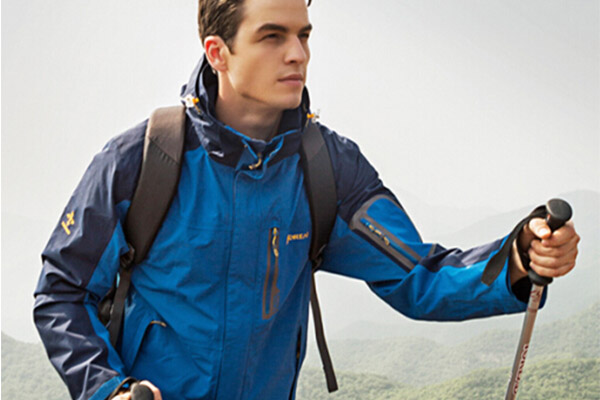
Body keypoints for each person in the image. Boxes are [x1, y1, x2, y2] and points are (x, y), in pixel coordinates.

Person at [33, 0, 580, 399]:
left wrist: (519, 259)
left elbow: (419, 275)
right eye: (272, 36)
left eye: (303, 35)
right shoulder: (143, 160)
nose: (297, 54)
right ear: (218, 52)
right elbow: (62, 292)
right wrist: (107, 389)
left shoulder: (327, 169)